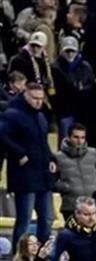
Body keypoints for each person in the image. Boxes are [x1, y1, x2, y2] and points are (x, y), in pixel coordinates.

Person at [0, 82, 56, 247]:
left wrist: (52, 160)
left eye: (41, 98)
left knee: (46, 219)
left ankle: (42, 256)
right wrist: (19, 153)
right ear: (25, 95)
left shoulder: (40, 117)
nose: (38, 102)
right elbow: (2, 136)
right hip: (24, 176)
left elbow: (44, 143)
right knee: (24, 220)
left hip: (43, 175)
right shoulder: (12, 114)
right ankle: (20, 258)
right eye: (35, 98)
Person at [54, 123, 96, 218]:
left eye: (82, 137)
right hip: (71, 206)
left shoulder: (93, 153)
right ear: (68, 137)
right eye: (76, 137)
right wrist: (64, 187)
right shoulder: (58, 157)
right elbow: (50, 179)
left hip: (93, 205)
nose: (79, 141)